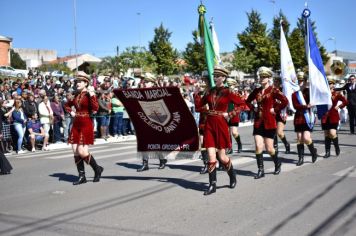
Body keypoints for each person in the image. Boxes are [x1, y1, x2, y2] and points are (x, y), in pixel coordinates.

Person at [194, 66, 244, 195]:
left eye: (218, 76)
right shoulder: (210, 91)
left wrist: (231, 114)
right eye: (214, 75)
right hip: (210, 124)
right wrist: (196, 94)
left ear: (224, 78)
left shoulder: (229, 92)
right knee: (211, 155)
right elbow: (198, 107)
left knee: (222, 156)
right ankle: (212, 184)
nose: (215, 77)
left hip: (221, 124)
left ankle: (232, 175)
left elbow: (243, 104)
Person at [245, 67, 289, 179]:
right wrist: (253, 109)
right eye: (261, 76)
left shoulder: (274, 90)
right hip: (258, 122)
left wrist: (275, 109)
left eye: (264, 77)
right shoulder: (257, 90)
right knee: (258, 146)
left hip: (269, 122)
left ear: (269, 78)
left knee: (270, 149)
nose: (262, 78)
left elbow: (285, 101)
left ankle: (277, 163)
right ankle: (261, 170)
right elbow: (247, 101)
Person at [64, 71, 103, 185]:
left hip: (86, 123)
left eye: (80, 81)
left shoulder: (89, 94)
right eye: (76, 81)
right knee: (75, 151)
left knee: (82, 151)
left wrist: (92, 95)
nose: (77, 83)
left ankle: (97, 169)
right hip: (76, 123)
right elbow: (66, 105)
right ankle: (82, 176)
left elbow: (95, 108)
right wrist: (71, 112)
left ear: (86, 83)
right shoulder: (76, 94)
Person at [137, 73, 167, 172]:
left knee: (155, 142)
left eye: (147, 82)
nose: (145, 84)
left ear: (152, 83)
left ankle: (162, 160)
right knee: (143, 142)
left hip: (156, 120)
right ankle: (145, 163)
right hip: (145, 120)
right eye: (144, 82)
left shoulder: (157, 92)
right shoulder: (141, 92)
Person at [291, 72, 318, 166]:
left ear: (306, 81)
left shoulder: (310, 92)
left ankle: (313, 152)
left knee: (306, 138)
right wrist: (306, 106)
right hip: (299, 117)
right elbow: (295, 106)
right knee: (299, 138)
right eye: (299, 81)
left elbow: (315, 99)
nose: (300, 82)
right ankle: (300, 158)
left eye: (302, 80)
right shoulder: (294, 94)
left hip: (308, 117)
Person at [322, 78, 348, 158]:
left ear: (333, 85)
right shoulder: (323, 93)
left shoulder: (336, 93)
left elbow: (345, 101)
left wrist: (339, 106)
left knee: (332, 133)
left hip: (333, 115)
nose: (330, 85)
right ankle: (327, 152)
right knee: (326, 134)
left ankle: (337, 147)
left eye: (331, 84)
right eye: (328, 84)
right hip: (325, 116)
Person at [273, 77, 291, 154]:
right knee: (273, 131)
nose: (275, 83)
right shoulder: (271, 91)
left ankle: (286, 144)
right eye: (274, 81)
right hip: (273, 113)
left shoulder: (283, 90)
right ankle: (275, 147)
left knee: (279, 132)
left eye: (277, 81)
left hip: (281, 113)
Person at [226, 78, 244, 153]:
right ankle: (230, 148)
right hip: (226, 115)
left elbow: (241, 105)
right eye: (228, 85)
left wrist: (233, 113)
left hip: (234, 115)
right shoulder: (225, 94)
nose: (229, 87)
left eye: (231, 85)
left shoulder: (237, 95)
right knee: (227, 132)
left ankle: (239, 144)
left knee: (234, 132)